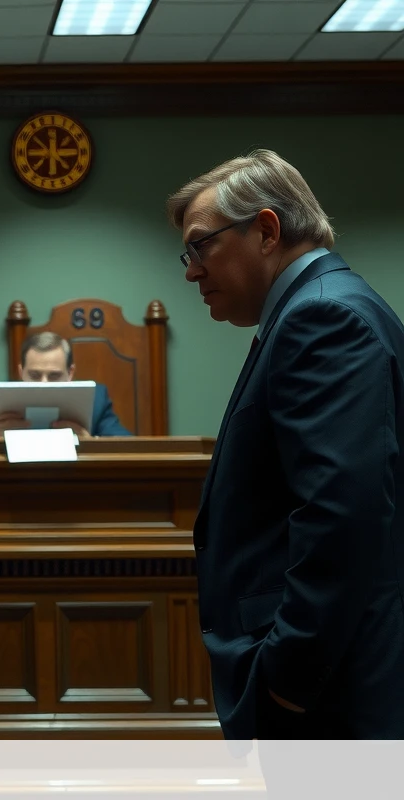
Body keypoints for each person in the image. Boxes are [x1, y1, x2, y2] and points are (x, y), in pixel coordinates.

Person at [168, 149, 404, 740]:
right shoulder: (320, 307)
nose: (191, 271)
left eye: (200, 247)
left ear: (266, 230)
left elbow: (341, 515)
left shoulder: (323, 318)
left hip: (331, 693)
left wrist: (287, 679)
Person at [0, 331, 131, 438]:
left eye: (54, 376)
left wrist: (90, 442)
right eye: (34, 375)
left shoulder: (96, 398)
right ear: (21, 371)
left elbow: (128, 447)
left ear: (70, 373)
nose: (44, 384)